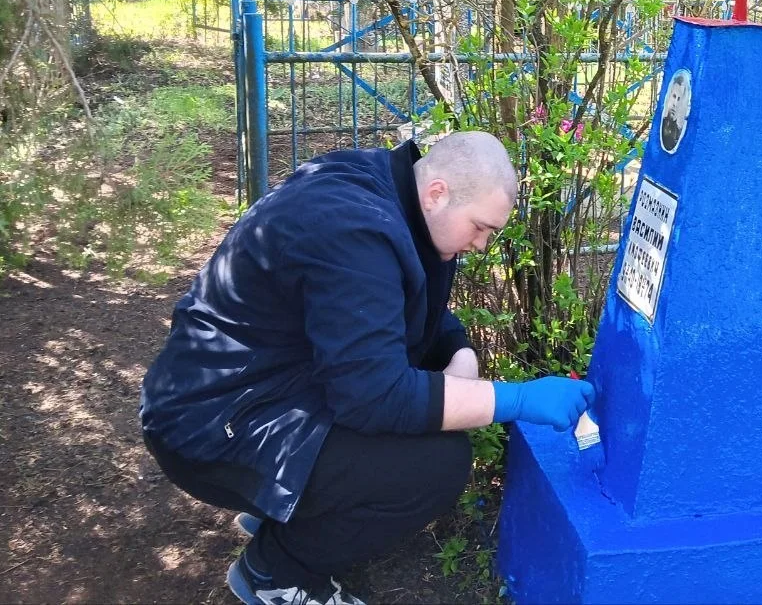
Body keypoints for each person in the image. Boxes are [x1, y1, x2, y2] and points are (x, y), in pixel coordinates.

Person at [140, 132, 595, 605]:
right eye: (480, 227)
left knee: (422, 426)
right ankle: (275, 572)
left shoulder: (396, 196)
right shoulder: (355, 231)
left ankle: (294, 509)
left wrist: (460, 354)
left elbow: (418, 308)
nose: (481, 244)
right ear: (438, 192)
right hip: (210, 424)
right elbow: (376, 396)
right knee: (437, 467)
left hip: (258, 388)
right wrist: (518, 399)